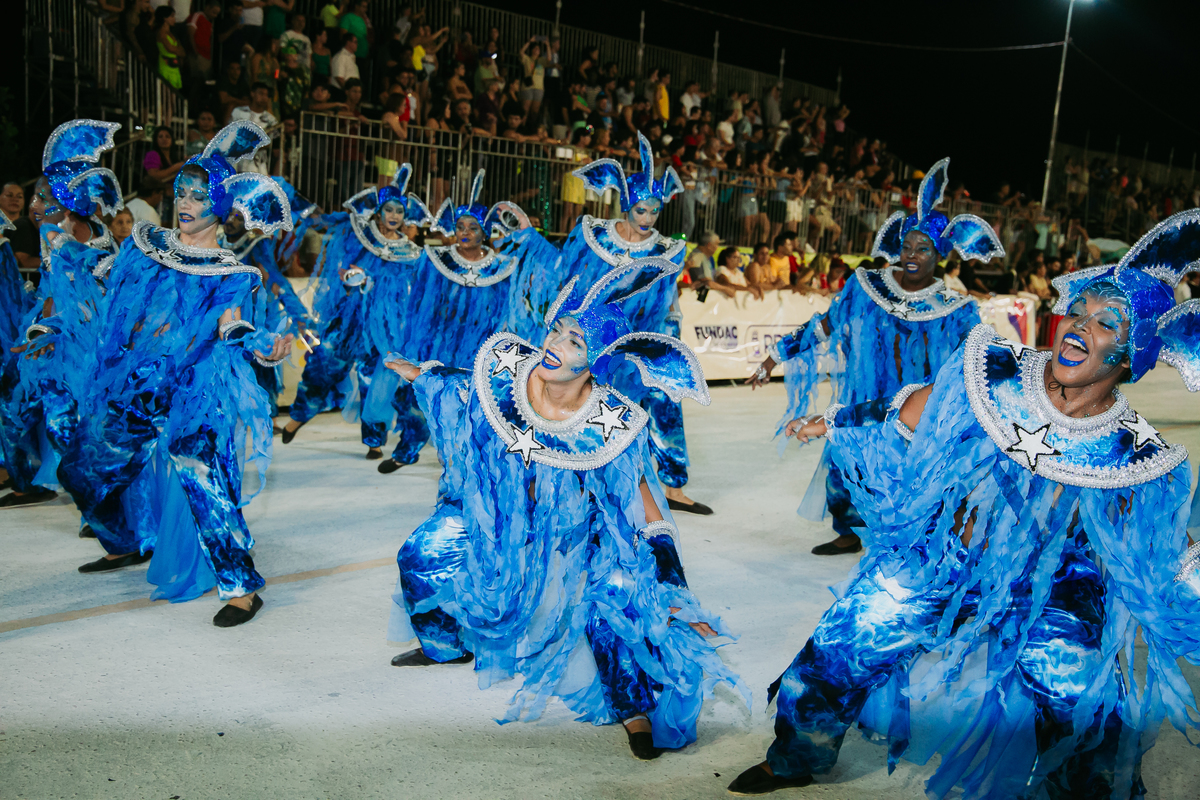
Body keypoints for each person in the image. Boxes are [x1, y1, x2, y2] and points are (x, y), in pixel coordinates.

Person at [728, 208, 1200, 797]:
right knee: (844, 639)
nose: (1079, 325)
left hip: (1053, 589)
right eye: (1078, 310)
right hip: (949, 556)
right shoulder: (999, 370)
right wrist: (834, 419)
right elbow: (916, 407)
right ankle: (797, 755)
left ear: (1131, 354)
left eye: (1106, 322)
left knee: (1086, 700)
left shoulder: (1137, 454)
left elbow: (1168, 547)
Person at [385, 256, 746, 760]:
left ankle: (633, 707)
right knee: (420, 554)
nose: (553, 344)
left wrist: (673, 584)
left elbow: (643, 501)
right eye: (557, 330)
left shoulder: (610, 422)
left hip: (570, 531)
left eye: (574, 341)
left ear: (596, 360)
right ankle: (445, 646)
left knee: (616, 597)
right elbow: (461, 384)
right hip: (492, 515)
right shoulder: (508, 366)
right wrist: (423, 374)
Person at [57, 120, 294, 627]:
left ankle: (242, 588)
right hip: (136, 387)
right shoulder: (144, 244)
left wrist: (265, 348)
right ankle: (125, 541)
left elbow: (232, 325)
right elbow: (111, 291)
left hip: (195, 391)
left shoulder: (229, 272)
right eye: (181, 192)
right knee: (78, 471)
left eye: (198, 196)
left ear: (221, 206)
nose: (184, 203)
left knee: (204, 478)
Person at [747, 160, 1002, 556]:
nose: (911, 255)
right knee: (844, 466)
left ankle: (909, 541)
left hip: (910, 411)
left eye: (923, 248)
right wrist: (773, 357)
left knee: (908, 477)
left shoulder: (956, 310)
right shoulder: (865, 287)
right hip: (861, 401)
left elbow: (974, 362)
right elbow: (824, 325)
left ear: (940, 254)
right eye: (907, 246)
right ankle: (848, 531)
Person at [523, 133, 712, 515]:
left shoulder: (667, 250)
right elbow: (567, 277)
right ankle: (563, 475)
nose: (647, 219)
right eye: (641, 210)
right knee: (580, 402)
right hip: (590, 342)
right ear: (626, 205)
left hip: (644, 335)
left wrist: (660, 334)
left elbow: (664, 297)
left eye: (654, 211)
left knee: (662, 405)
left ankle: (673, 486)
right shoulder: (591, 235)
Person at [0, 121, 124, 509]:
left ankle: (99, 501)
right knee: (20, 402)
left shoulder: (100, 233)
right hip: (57, 332)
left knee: (83, 419)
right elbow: (55, 292)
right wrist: (42, 329)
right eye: (39, 197)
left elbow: (109, 288)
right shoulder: (52, 233)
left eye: (44, 197)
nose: (37, 205)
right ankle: (26, 480)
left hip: (94, 336)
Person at [281, 165, 431, 467]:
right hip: (349, 323)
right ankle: (298, 417)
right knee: (323, 368)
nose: (394, 215)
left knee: (373, 380)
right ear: (378, 211)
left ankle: (374, 441)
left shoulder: (410, 252)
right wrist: (350, 278)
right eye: (388, 209)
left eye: (399, 211)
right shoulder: (358, 235)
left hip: (383, 330)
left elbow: (412, 291)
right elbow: (333, 249)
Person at [231, 82, 280, 173]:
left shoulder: (271, 120)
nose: (264, 97)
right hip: (237, 163)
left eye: (266, 95)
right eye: (261, 93)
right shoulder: (238, 112)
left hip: (259, 166)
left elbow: (269, 143)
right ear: (252, 93)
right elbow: (231, 134)